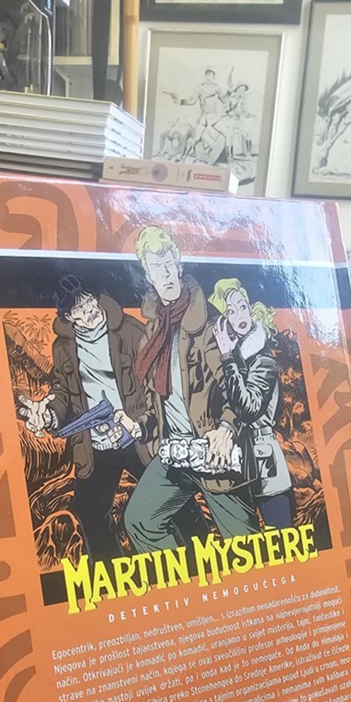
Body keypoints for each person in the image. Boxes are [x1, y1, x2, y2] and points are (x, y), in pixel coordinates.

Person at [115, 228, 260, 551]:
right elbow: (156, 400)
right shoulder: (154, 332)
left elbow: (237, 384)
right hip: (177, 452)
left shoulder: (209, 323)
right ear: (148, 276)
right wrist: (139, 425)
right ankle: (185, 580)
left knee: (249, 550)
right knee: (140, 520)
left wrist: (226, 428)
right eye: (156, 267)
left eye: (168, 263)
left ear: (178, 266)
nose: (165, 273)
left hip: (215, 452)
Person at [18, 278, 148, 559]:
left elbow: (156, 386)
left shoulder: (131, 331)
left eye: (90, 301)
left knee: (173, 499)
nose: (89, 311)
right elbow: (63, 392)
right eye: (79, 309)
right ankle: (112, 573)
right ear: (67, 317)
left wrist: (137, 422)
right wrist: (48, 414)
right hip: (96, 446)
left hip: (138, 438)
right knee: (90, 511)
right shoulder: (63, 347)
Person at [209, 278, 295, 529]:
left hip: (264, 462)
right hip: (237, 462)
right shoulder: (232, 358)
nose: (239, 315)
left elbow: (248, 409)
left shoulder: (263, 361)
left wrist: (228, 358)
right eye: (231, 311)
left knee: (281, 537)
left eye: (242, 307)